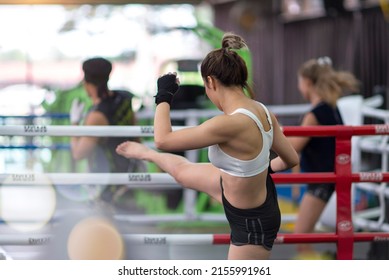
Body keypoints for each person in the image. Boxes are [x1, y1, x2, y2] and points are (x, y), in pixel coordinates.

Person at [116, 33, 299, 260]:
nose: (206, 92)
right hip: (237, 190)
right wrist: (262, 167)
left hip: (251, 223)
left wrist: (163, 96)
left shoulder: (228, 124)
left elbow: (163, 139)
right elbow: (291, 159)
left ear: (211, 81)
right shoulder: (263, 110)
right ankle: (147, 155)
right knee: (182, 172)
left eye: (205, 86)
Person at [289, 57, 360, 259]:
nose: (298, 86)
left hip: (320, 181)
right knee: (305, 235)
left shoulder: (314, 115)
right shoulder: (331, 108)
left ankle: (326, 265)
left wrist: (273, 134)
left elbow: (293, 148)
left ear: (307, 83)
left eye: (299, 81)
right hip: (326, 179)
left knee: (300, 236)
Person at [70, 57, 144, 208]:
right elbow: (135, 134)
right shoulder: (124, 98)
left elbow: (78, 153)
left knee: (103, 224)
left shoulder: (96, 116)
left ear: (86, 80)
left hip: (106, 179)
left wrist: (74, 123)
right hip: (127, 171)